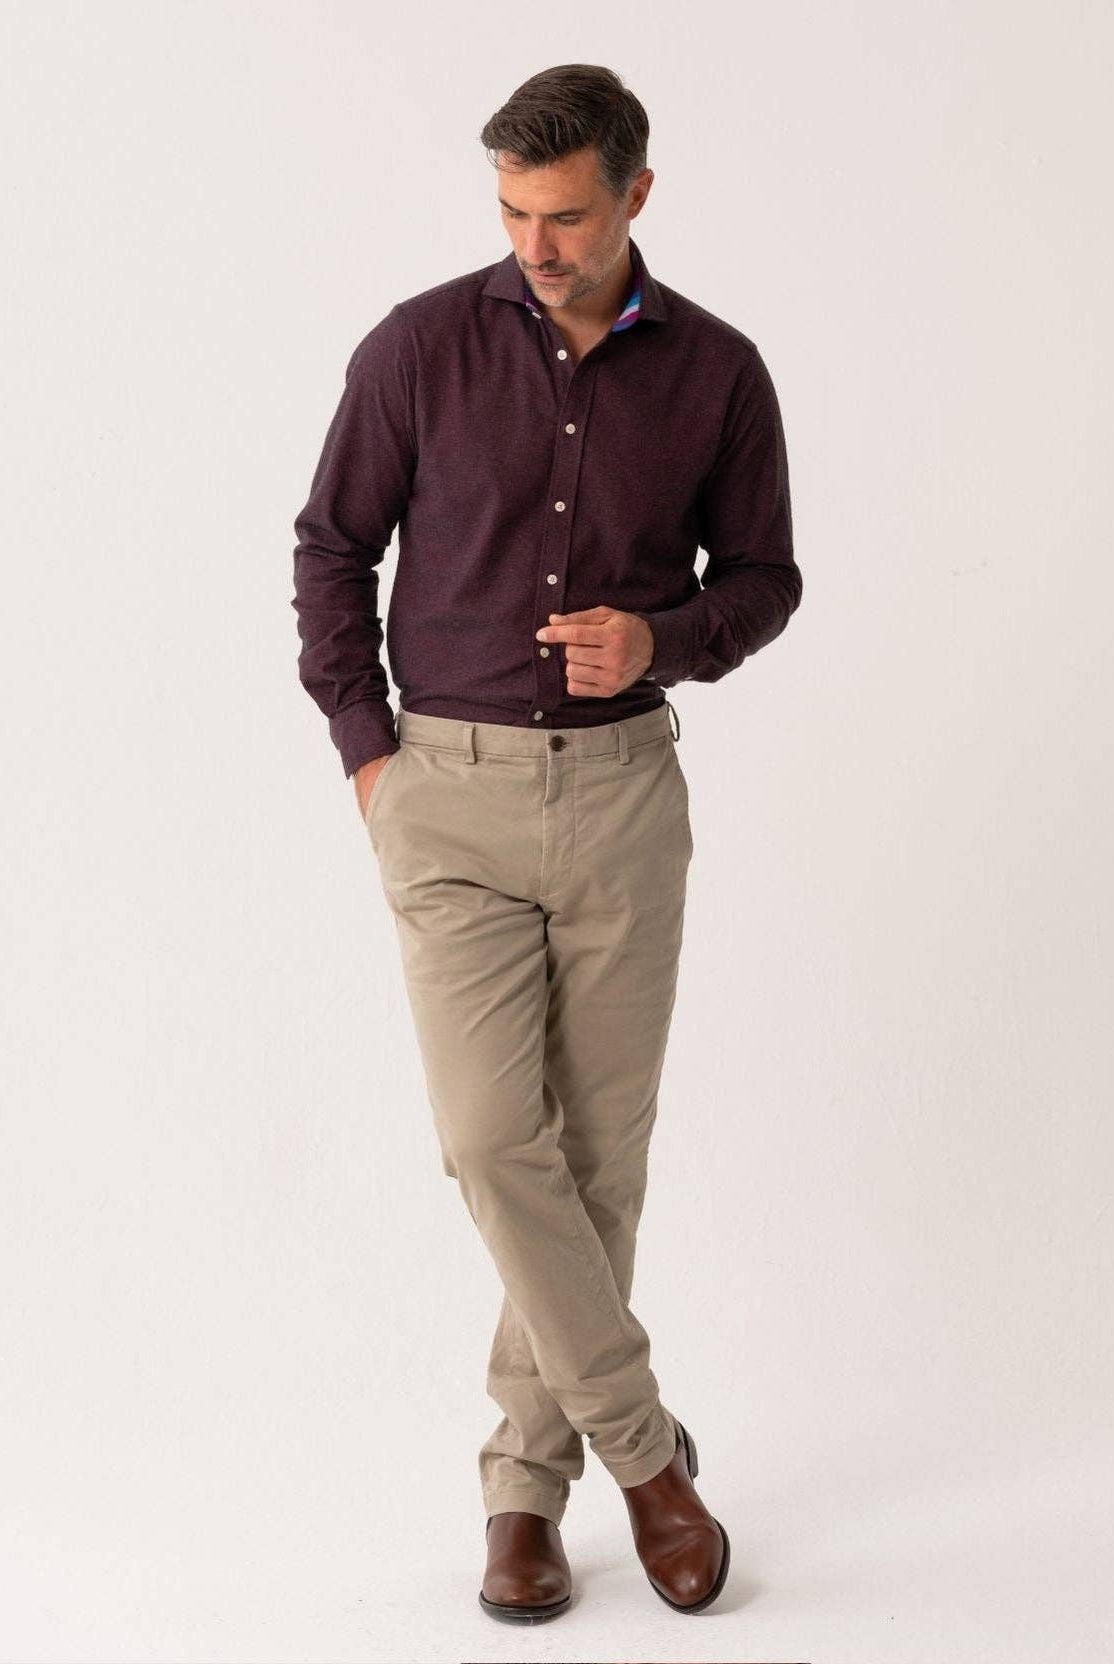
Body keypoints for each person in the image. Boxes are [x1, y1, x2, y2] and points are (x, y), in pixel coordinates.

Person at [290, 61, 801, 1622]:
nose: (537, 245)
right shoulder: (417, 348)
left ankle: (524, 1483)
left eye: (567, 215)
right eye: (513, 213)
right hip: (444, 796)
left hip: (622, 799)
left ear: (634, 194)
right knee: (486, 1140)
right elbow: (330, 549)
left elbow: (763, 580)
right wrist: (370, 755)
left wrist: (661, 641)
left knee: (595, 1158)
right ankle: (645, 1459)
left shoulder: (717, 373)